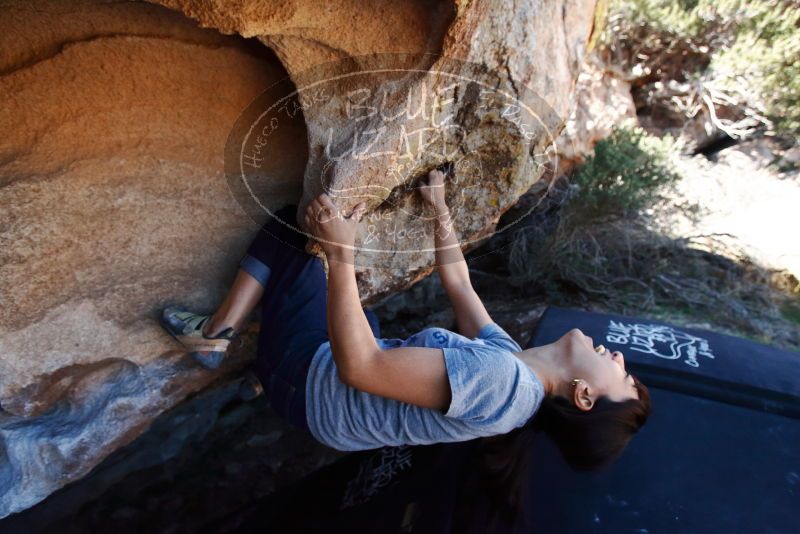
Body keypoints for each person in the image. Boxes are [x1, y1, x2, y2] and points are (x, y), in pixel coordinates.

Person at [160, 169, 650, 519]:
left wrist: (339, 250)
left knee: (295, 231)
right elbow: (460, 286)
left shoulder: (503, 384)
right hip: (330, 397)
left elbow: (362, 368)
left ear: (584, 395)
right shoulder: (516, 369)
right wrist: (438, 209)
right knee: (361, 311)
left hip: (313, 384)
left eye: (623, 377)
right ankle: (262, 374)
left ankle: (214, 335)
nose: (621, 358)